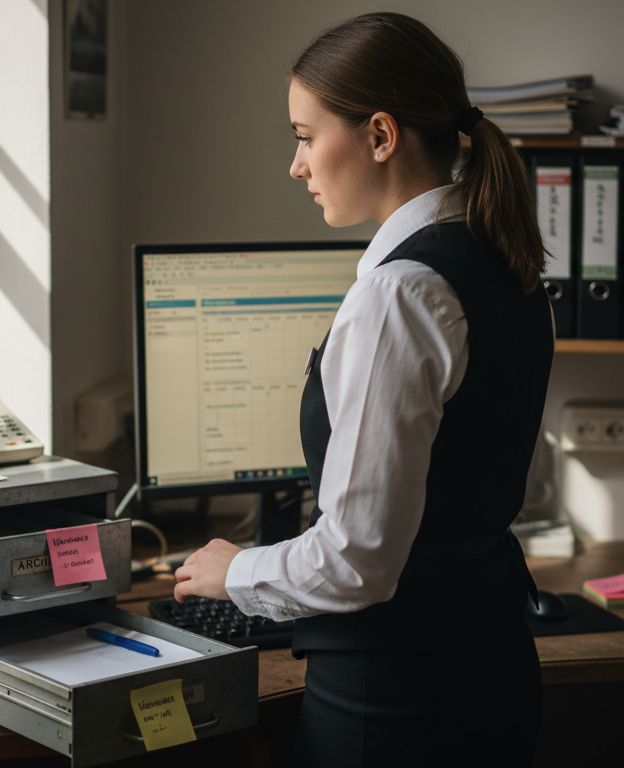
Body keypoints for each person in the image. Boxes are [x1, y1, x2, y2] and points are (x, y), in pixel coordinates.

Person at [172, 11, 554, 766]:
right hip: (491, 667)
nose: (297, 165)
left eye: (306, 137)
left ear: (380, 136)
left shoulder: (402, 293)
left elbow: (355, 560)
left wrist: (233, 571)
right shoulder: (504, 258)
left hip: (400, 699)